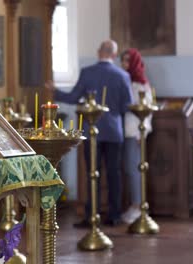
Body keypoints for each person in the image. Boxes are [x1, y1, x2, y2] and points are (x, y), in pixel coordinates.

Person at [47, 40, 134, 227]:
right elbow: (127, 104)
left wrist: (55, 92)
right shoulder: (123, 76)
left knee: (92, 173)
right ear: (114, 55)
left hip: (91, 130)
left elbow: (72, 97)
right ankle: (114, 215)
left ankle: (90, 215)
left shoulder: (88, 73)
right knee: (114, 173)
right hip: (114, 131)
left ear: (98, 52)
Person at [120, 48, 153, 224]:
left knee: (134, 169)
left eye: (127, 60)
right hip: (123, 130)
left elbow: (147, 111)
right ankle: (133, 204)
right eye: (122, 60)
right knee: (127, 168)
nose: (124, 64)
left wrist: (143, 131)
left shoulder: (141, 84)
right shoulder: (123, 80)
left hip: (135, 131)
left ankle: (138, 206)